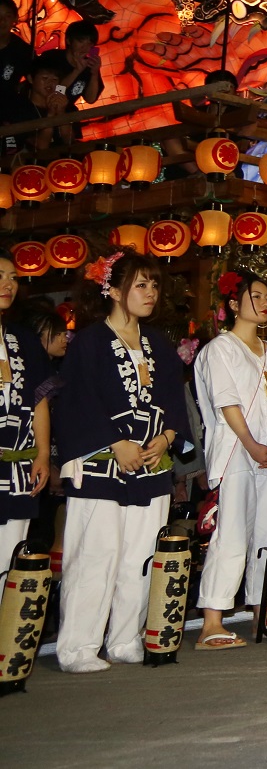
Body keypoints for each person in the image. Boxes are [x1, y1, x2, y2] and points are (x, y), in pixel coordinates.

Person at [53, 252, 188, 672]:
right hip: (101, 465)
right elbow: (76, 400)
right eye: (140, 285)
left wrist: (166, 436)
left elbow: (174, 405)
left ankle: (126, 636)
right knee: (96, 554)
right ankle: (77, 646)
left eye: (154, 285)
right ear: (112, 290)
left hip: (152, 464)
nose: (150, 293)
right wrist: (115, 442)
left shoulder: (159, 344)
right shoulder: (90, 342)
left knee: (140, 556)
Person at [193, 272, 267, 648]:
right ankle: (212, 622)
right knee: (233, 532)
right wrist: (252, 444)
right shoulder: (220, 349)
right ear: (233, 304)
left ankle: (263, 614)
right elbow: (225, 401)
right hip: (238, 449)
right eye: (256, 296)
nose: (265, 302)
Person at [1, 251, 53, 564]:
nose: (8, 285)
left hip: (18, 466)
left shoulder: (23, 339)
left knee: (10, 559)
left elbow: (40, 399)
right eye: (1, 277)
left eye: (13, 278)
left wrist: (43, 454)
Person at [57, 20, 104, 107]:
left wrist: (94, 73)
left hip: (66, 112)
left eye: (90, 43)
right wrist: (76, 71)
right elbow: (56, 91)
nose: (85, 47)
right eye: (81, 41)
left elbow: (90, 99)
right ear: (68, 41)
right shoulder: (53, 58)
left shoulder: (89, 65)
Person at [0, 0, 35, 92]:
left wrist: (18, 90)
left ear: (15, 19)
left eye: (7, 16)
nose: (2, 21)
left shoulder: (22, 50)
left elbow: (36, 76)